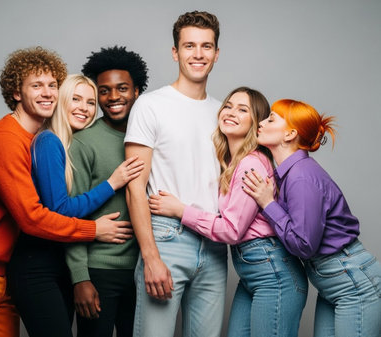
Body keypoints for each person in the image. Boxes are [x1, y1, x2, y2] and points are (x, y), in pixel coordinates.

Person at [0, 47, 132, 337]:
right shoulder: (7, 140)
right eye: (36, 86)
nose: (47, 93)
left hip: (1, 269)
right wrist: (94, 229)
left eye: (52, 85)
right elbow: (34, 218)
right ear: (16, 92)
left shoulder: (35, 139)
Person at [149, 87, 308, 337]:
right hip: (253, 272)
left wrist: (180, 210)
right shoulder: (234, 162)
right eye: (228, 105)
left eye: (242, 109)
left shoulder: (250, 164)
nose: (231, 112)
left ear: (256, 123)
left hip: (273, 272)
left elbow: (232, 229)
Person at [7, 74, 142, 337]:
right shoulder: (49, 142)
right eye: (76, 99)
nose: (84, 108)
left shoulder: (70, 145)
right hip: (36, 263)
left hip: (58, 262)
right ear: (61, 102)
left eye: (90, 102)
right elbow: (59, 211)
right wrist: (111, 184)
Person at [124, 11, 228, 337]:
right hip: (167, 240)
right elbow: (134, 188)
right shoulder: (151, 105)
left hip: (214, 243)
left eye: (206, 46)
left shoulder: (223, 112)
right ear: (175, 52)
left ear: (216, 53)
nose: (198, 54)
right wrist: (151, 257)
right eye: (189, 46)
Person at [242, 99, 381, 337]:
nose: (261, 123)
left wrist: (268, 204)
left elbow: (304, 245)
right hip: (334, 282)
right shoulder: (288, 174)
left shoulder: (301, 177)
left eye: (271, 119)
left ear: (290, 134)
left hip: (353, 282)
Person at [66, 46, 149, 337]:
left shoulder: (150, 139)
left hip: (142, 270)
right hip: (98, 271)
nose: (113, 97)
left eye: (122, 88)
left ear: (137, 91)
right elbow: (69, 213)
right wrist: (80, 279)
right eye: (104, 90)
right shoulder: (84, 142)